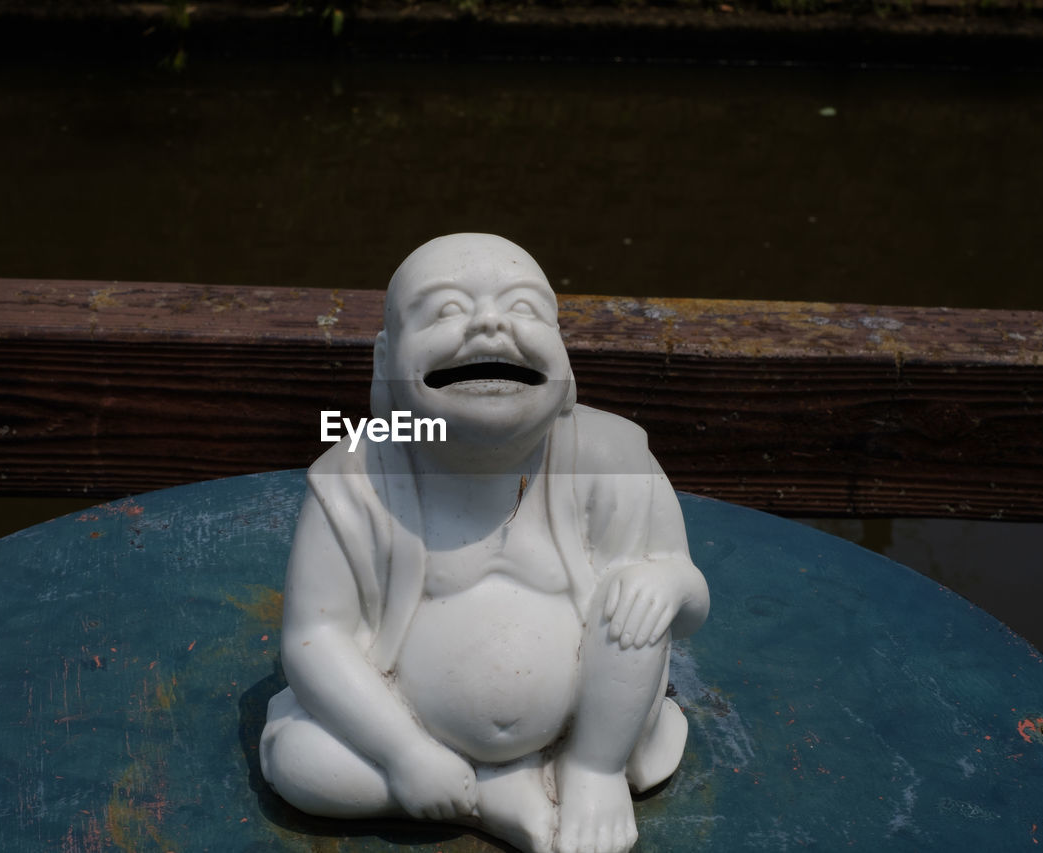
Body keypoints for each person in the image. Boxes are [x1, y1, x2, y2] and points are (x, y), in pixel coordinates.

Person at [260, 234, 710, 853]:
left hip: (601, 736)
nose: (491, 323)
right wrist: (406, 752)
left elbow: (689, 603)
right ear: (386, 361)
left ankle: (590, 774)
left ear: (566, 360)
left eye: (525, 309)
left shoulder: (612, 457)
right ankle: (491, 800)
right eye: (445, 310)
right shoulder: (357, 474)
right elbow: (315, 641)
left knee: (635, 590)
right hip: (410, 748)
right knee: (301, 762)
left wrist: (664, 583)